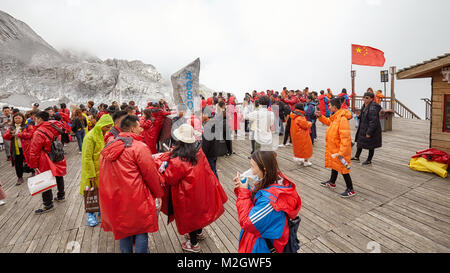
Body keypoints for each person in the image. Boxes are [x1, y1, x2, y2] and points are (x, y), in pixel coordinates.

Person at [154, 124, 228, 252]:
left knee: (190, 218)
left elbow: (170, 178)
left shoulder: (179, 159)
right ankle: (199, 232)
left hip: (186, 194)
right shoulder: (198, 151)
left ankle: (193, 244)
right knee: (198, 214)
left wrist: (163, 167)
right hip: (200, 189)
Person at [99, 115, 164, 253]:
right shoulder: (139, 147)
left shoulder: (108, 147)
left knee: (124, 230)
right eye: (139, 126)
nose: (141, 129)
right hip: (137, 196)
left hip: (116, 197)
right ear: (133, 128)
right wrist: (158, 194)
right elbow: (150, 175)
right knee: (141, 229)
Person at [233, 150, 301, 253]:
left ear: (264, 169)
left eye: (252, 166)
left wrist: (243, 193)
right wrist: (245, 189)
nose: (250, 170)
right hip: (259, 238)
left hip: (261, 246)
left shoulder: (271, 201)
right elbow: (258, 202)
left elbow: (247, 223)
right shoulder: (272, 182)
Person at [316, 98, 356, 198]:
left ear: (334, 106)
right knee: (335, 165)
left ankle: (350, 189)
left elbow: (346, 138)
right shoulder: (336, 117)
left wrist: (342, 152)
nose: (328, 107)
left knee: (344, 168)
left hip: (340, 150)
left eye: (329, 105)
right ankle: (332, 182)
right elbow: (329, 122)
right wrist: (321, 117)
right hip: (334, 149)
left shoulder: (342, 119)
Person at [29, 111, 67, 214]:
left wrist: (33, 165)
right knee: (59, 174)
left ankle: (48, 204)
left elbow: (34, 150)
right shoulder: (54, 127)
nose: (34, 121)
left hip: (45, 157)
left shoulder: (39, 132)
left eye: (35, 119)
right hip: (56, 154)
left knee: (44, 178)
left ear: (40, 119)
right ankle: (61, 196)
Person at [80, 114, 114, 227]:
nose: (108, 129)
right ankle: (91, 215)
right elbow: (86, 157)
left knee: (102, 192)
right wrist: (90, 174)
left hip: (103, 170)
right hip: (93, 171)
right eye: (106, 127)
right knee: (91, 193)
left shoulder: (105, 135)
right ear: (101, 125)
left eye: (110, 127)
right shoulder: (90, 137)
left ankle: (101, 210)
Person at [2, 112, 36, 185]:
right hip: (15, 149)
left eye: (19, 118)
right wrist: (11, 133)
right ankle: (19, 177)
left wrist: (19, 134)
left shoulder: (28, 126)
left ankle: (33, 172)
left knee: (29, 161)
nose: (17, 119)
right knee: (17, 163)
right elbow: (5, 136)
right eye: (15, 118)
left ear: (22, 118)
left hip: (26, 147)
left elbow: (31, 135)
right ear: (13, 119)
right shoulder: (11, 128)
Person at [352, 92, 382, 165]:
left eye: (367, 98)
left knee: (371, 145)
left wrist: (369, 132)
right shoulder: (365, 105)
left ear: (371, 99)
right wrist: (358, 116)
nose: (364, 99)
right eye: (364, 97)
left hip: (371, 129)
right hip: (363, 127)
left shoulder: (372, 108)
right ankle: (356, 157)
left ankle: (369, 160)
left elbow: (373, 121)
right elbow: (363, 115)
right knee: (360, 142)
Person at [202, 107, 218, 178]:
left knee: (211, 172)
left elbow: (206, 144)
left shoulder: (208, 126)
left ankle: (216, 187)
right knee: (214, 171)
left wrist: (203, 155)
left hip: (209, 154)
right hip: (214, 151)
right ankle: (217, 186)